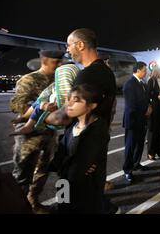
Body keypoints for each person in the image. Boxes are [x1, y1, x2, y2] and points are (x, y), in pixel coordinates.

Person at [47, 28, 118, 213]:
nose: (67, 50)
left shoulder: (86, 76)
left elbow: (64, 116)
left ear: (80, 45)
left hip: (78, 148)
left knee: (71, 198)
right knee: (90, 196)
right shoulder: (106, 72)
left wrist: (41, 116)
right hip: (93, 144)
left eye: (69, 45)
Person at [10, 49, 63, 213]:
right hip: (29, 135)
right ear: (45, 61)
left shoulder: (57, 80)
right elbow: (17, 106)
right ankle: (17, 207)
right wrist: (42, 110)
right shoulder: (30, 79)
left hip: (48, 133)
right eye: (56, 62)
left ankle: (33, 202)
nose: (60, 64)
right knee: (22, 174)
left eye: (61, 61)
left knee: (43, 170)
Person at [51, 84, 110, 213]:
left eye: (76, 100)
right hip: (64, 184)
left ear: (92, 105)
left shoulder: (96, 130)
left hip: (85, 191)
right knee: (62, 208)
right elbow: (58, 160)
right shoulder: (72, 125)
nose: (69, 104)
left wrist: (65, 164)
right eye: (68, 99)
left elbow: (79, 167)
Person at [10, 63, 80, 135]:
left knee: (39, 107)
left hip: (54, 107)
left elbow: (63, 101)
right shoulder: (54, 83)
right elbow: (48, 92)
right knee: (37, 104)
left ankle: (28, 125)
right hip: (48, 103)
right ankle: (25, 118)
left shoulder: (72, 91)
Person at [122, 62, 152, 184]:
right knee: (130, 146)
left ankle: (136, 163)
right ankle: (127, 170)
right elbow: (131, 105)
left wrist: (149, 106)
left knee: (139, 143)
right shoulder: (130, 84)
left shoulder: (142, 83)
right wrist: (146, 110)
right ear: (138, 70)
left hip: (142, 119)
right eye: (144, 70)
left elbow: (145, 99)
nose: (146, 72)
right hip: (133, 120)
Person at [147, 65, 160, 160]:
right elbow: (149, 93)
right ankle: (151, 152)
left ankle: (159, 151)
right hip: (155, 107)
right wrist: (157, 97)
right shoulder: (151, 80)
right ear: (157, 71)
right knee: (154, 130)